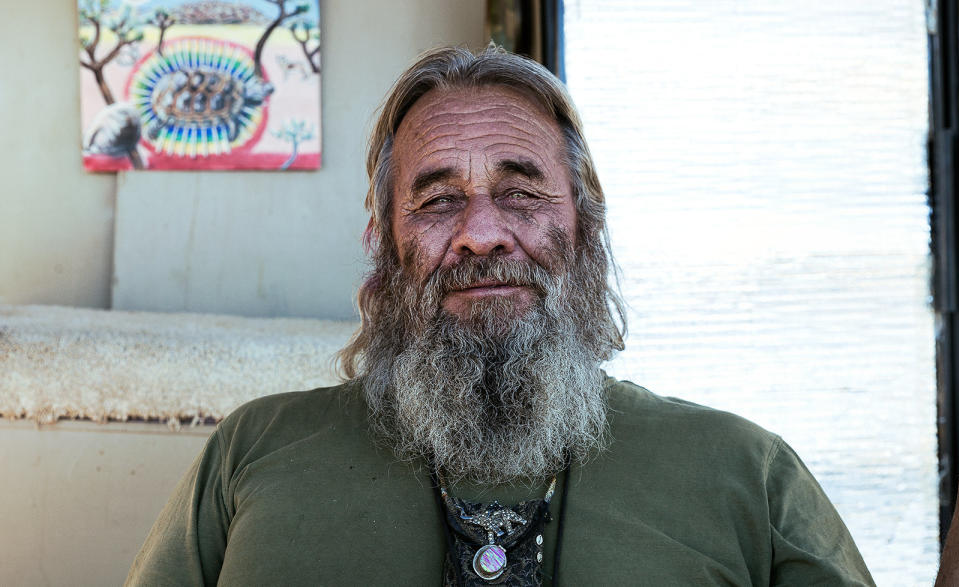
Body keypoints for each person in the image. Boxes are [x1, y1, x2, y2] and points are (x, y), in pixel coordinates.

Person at [126, 45, 874, 586]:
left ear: (583, 230)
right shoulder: (254, 450)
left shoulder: (747, 470)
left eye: (521, 192)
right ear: (383, 244)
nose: (483, 231)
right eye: (439, 198)